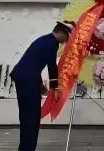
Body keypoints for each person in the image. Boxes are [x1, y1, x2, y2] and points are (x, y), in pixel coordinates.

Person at [10, 20, 75, 151]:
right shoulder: (52, 43)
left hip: (26, 77)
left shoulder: (45, 40)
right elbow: (52, 66)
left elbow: (33, 63)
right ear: (62, 32)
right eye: (67, 36)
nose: (66, 40)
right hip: (28, 79)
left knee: (27, 115)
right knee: (32, 116)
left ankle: (25, 148)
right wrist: (55, 88)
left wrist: (39, 84)